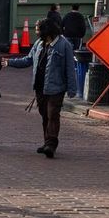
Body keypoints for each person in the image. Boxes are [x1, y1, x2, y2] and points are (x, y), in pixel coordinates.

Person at [28, 19, 78, 157]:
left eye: (38, 29)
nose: (36, 32)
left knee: (53, 115)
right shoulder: (39, 44)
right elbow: (28, 59)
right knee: (45, 115)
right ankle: (46, 142)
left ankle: (51, 145)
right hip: (40, 87)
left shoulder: (64, 45)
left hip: (56, 88)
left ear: (46, 30)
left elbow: (69, 68)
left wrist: (72, 89)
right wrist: (8, 62)